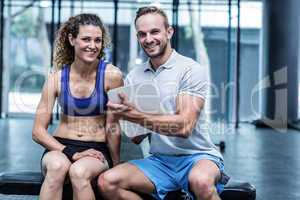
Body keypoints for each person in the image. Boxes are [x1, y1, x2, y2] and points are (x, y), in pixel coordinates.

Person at [97, 6, 229, 200]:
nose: (148, 39)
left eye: (154, 32)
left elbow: (184, 127)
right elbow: (137, 137)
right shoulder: (135, 75)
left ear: (169, 32)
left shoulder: (190, 69)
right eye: (142, 34)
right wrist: (121, 116)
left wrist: (135, 115)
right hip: (159, 161)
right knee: (107, 182)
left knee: (200, 181)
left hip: (198, 157)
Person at [32, 13, 123, 200]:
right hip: (61, 146)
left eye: (98, 40)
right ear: (72, 39)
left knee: (79, 172)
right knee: (57, 167)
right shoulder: (56, 79)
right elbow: (38, 132)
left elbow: (113, 126)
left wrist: (116, 164)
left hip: (96, 148)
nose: (93, 45)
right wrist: (70, 152)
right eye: (86, 39)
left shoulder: (112, 75)